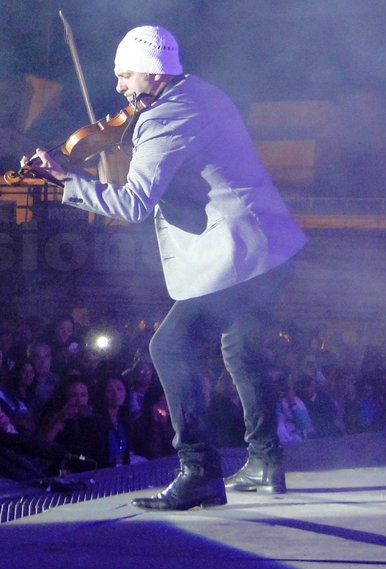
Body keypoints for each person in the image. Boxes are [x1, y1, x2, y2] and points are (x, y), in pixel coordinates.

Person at [30, 25, 306, 509]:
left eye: (125, 75)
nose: (118, 86)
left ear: (154, 74)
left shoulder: (162, 119)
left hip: (240, 255)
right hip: (271, 247)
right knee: (241, 349)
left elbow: (134, 204)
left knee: (170, 345)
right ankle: (266, 461)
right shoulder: (202, 92)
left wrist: (65, 179)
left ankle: (199, 471)